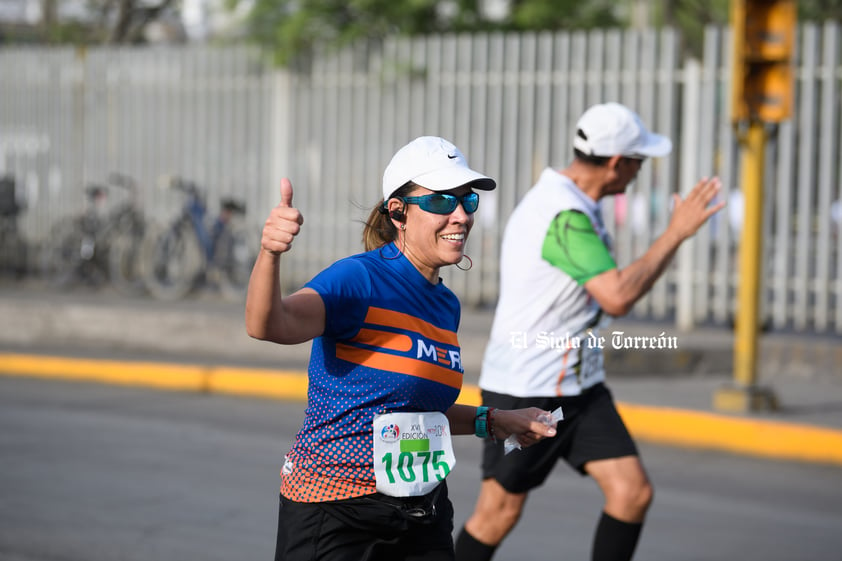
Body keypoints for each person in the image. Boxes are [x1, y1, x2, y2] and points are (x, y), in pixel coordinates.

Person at [245, 135, 559, 561]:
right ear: (398, 212)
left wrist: (496, 420)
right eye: (441, 202)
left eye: (468, 202)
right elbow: (268, 324)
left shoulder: (445, 304)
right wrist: (269, 254)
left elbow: (412, 413)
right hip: (336, 511)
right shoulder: (359, 279)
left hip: (421, 514)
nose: (460, 216)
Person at [454, 103, 725, 561]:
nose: (640, 171)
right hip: (527, 386)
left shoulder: (574, 202)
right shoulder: (562, 214)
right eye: (639, 161)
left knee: (631, 492)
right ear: (617, 163)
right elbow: (616, 295)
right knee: (497, 512)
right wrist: (675, 233)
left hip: (578, 387)